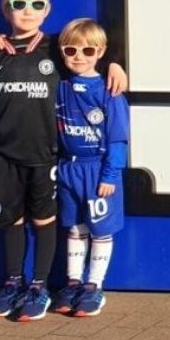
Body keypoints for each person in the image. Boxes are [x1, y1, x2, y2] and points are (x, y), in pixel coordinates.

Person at [0, 0, 126, 321]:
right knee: (11, 221)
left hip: (46, 158)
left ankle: (38, 286)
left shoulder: (57, 49)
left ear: (47, 10)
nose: (27, 12)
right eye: (18, 4)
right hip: (1, 157)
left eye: (36, 5)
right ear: (5, 9)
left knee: (45, 220)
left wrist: (115, 61)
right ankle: (12, 282)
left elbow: (88, 48)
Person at [53, 19, 129, 317]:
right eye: (70, 49)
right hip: (68, 170)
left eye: (88, 50)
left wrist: (111, 174)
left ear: (101, 52)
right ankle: (73, 282)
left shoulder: (110, 93)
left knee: (100, 229)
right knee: (74, 227)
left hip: (97, 171)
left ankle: (94, 285)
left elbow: (118, 139)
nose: (79, 56)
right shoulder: (59, 88)